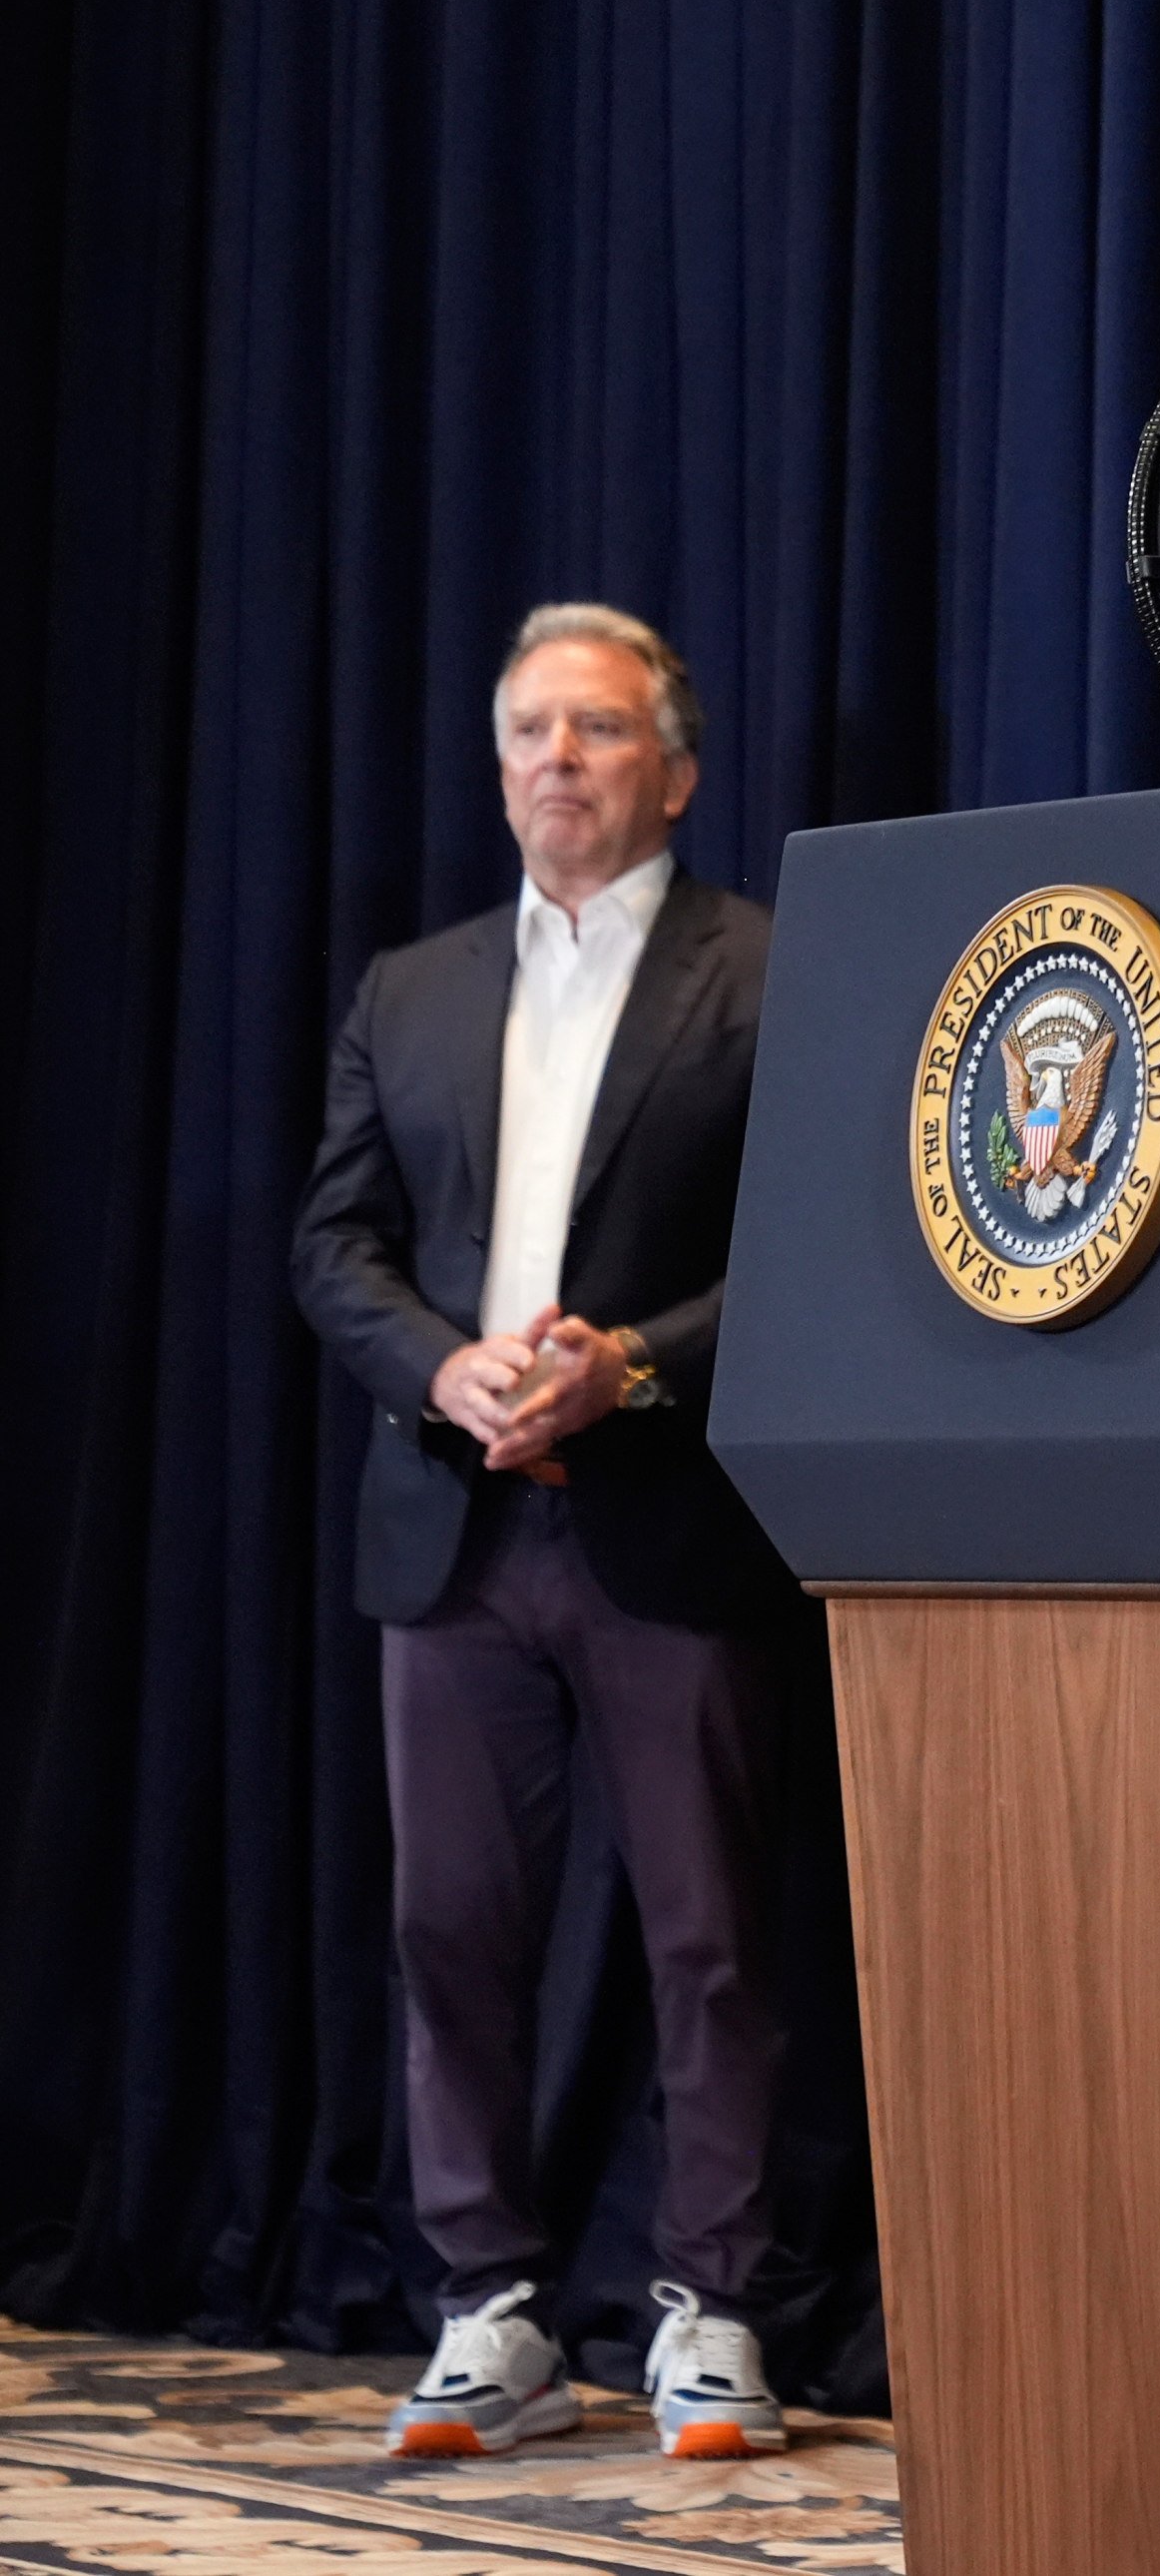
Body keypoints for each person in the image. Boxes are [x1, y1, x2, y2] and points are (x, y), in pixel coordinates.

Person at [290, 603, 795, 2463]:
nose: (557, 759)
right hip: (454, 1528)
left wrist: (629, 1366)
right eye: (528, 730)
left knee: (709, 1934)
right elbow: (334, 1243)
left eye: (596, 727)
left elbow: (809, 1246)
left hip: (667, 1522)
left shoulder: (770, 968)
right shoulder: (410, 987)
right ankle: (487, 2307)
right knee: (452, 1932)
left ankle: (712, 2306)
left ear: (676, 768)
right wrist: (447, 1370)